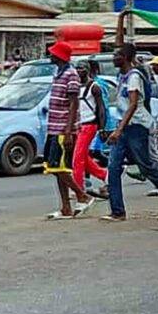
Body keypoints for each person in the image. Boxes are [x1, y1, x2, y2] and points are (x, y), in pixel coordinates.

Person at [102, 43, 158, 222]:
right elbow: (119, 42)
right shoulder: (123, 74)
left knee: (148, 168)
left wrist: (118, 130)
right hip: (125, 126)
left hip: (137, 126)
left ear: (126, 58)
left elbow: (133, 105)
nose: (113, 58)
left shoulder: (134, 77)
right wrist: (122, 18)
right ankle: (118, 211)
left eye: (117, 55)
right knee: (113, 167)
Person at [42, 41, 94, 220]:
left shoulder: (71, 75)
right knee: (54, 168)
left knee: (59, 167)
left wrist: (68, 130)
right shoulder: (58, 73)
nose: (50, 56)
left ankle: (82, 195)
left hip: (63, 128)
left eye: (53, 54)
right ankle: (65, 207)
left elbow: (74, 104)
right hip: (54, 127)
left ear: (60, 57)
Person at [72, 60, 109, 199]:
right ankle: (104, 175)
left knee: (77, 158)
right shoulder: (76, 86)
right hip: (79, 125)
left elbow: (101, 109)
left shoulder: (94, 87)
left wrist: (102, 128)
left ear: (87, 70)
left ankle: (78, 188)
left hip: (90, 125)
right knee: (83, 157)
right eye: (77, 68)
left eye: (81, 68)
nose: (78, 71)